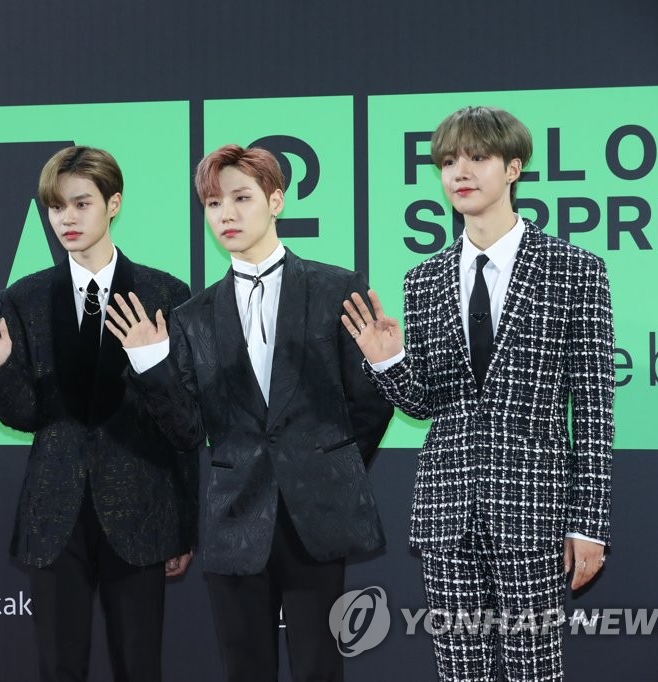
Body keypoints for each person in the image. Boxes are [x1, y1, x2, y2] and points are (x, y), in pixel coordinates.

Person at [341, 105, 614, 681]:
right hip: (447, 512)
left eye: (477, 158)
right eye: (448, 162)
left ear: (513, 168)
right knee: (459, 671)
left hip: (534, 512)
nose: (459, 172)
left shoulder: (574, 271)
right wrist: (387, 362)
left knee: (534, 670)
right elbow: (425, 405)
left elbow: (593, 408)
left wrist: (588, 523)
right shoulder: (424, 280)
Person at [106, 144, 393, 682]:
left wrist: (325, 466)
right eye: (214, 204)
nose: (227, 215)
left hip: (318, 516)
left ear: (276, 201)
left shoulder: (336, 288)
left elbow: (370, 402)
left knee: (320, 669)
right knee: (243, 669)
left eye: (241, 198)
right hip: (234, 520)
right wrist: (151, 363)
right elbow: (186, 431)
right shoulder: (191, 316)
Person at [0, 146, 197, 682]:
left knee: (140, 668)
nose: (66, 218)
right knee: (59, 668)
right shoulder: (25, 298)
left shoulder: (164, 293)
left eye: (81, 204)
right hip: (55, 515)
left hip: (142, 512)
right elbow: (25, 416)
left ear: (114, 204)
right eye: (56, 206)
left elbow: (184, 425)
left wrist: (184, 524)